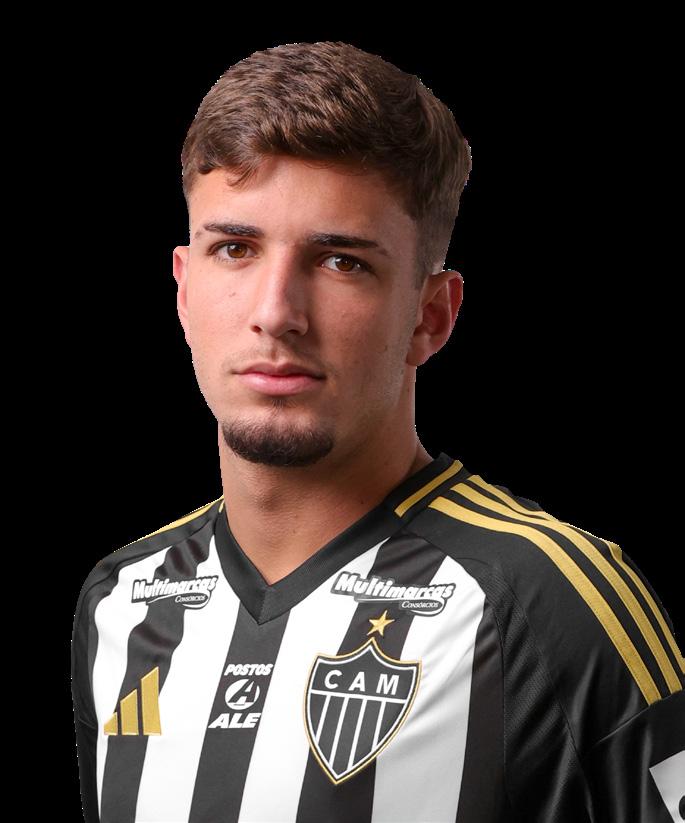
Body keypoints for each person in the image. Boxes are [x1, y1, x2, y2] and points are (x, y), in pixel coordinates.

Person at [71, 41, 684, 823]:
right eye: (235, 249)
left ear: (430, 316)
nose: (275, 313)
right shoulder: (124, 600)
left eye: (340, 262)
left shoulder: (549, 601)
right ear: (184, 291)